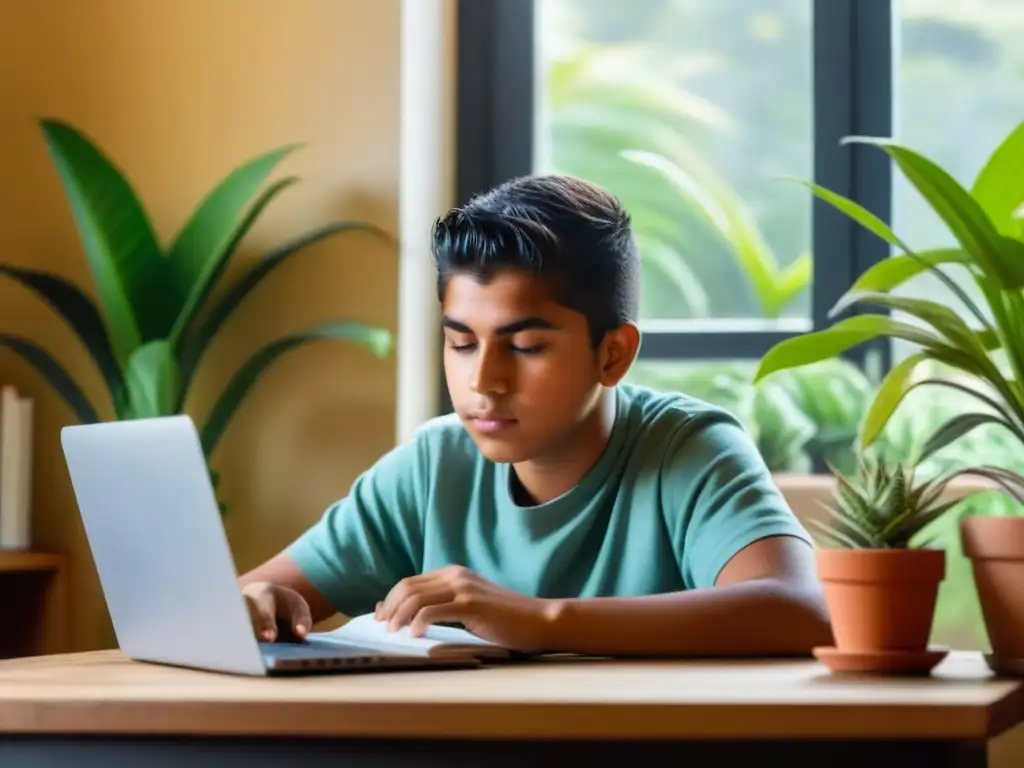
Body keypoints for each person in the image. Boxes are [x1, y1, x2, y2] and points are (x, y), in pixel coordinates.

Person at [239, 174, 833, 657]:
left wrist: (542, 620)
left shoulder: (690, 449)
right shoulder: (434, 464)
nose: (483, 382)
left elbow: (801, 610)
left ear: (613, 353)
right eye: (462, 343)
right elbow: (252, 596)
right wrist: (262, 601)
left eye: (524, 347)